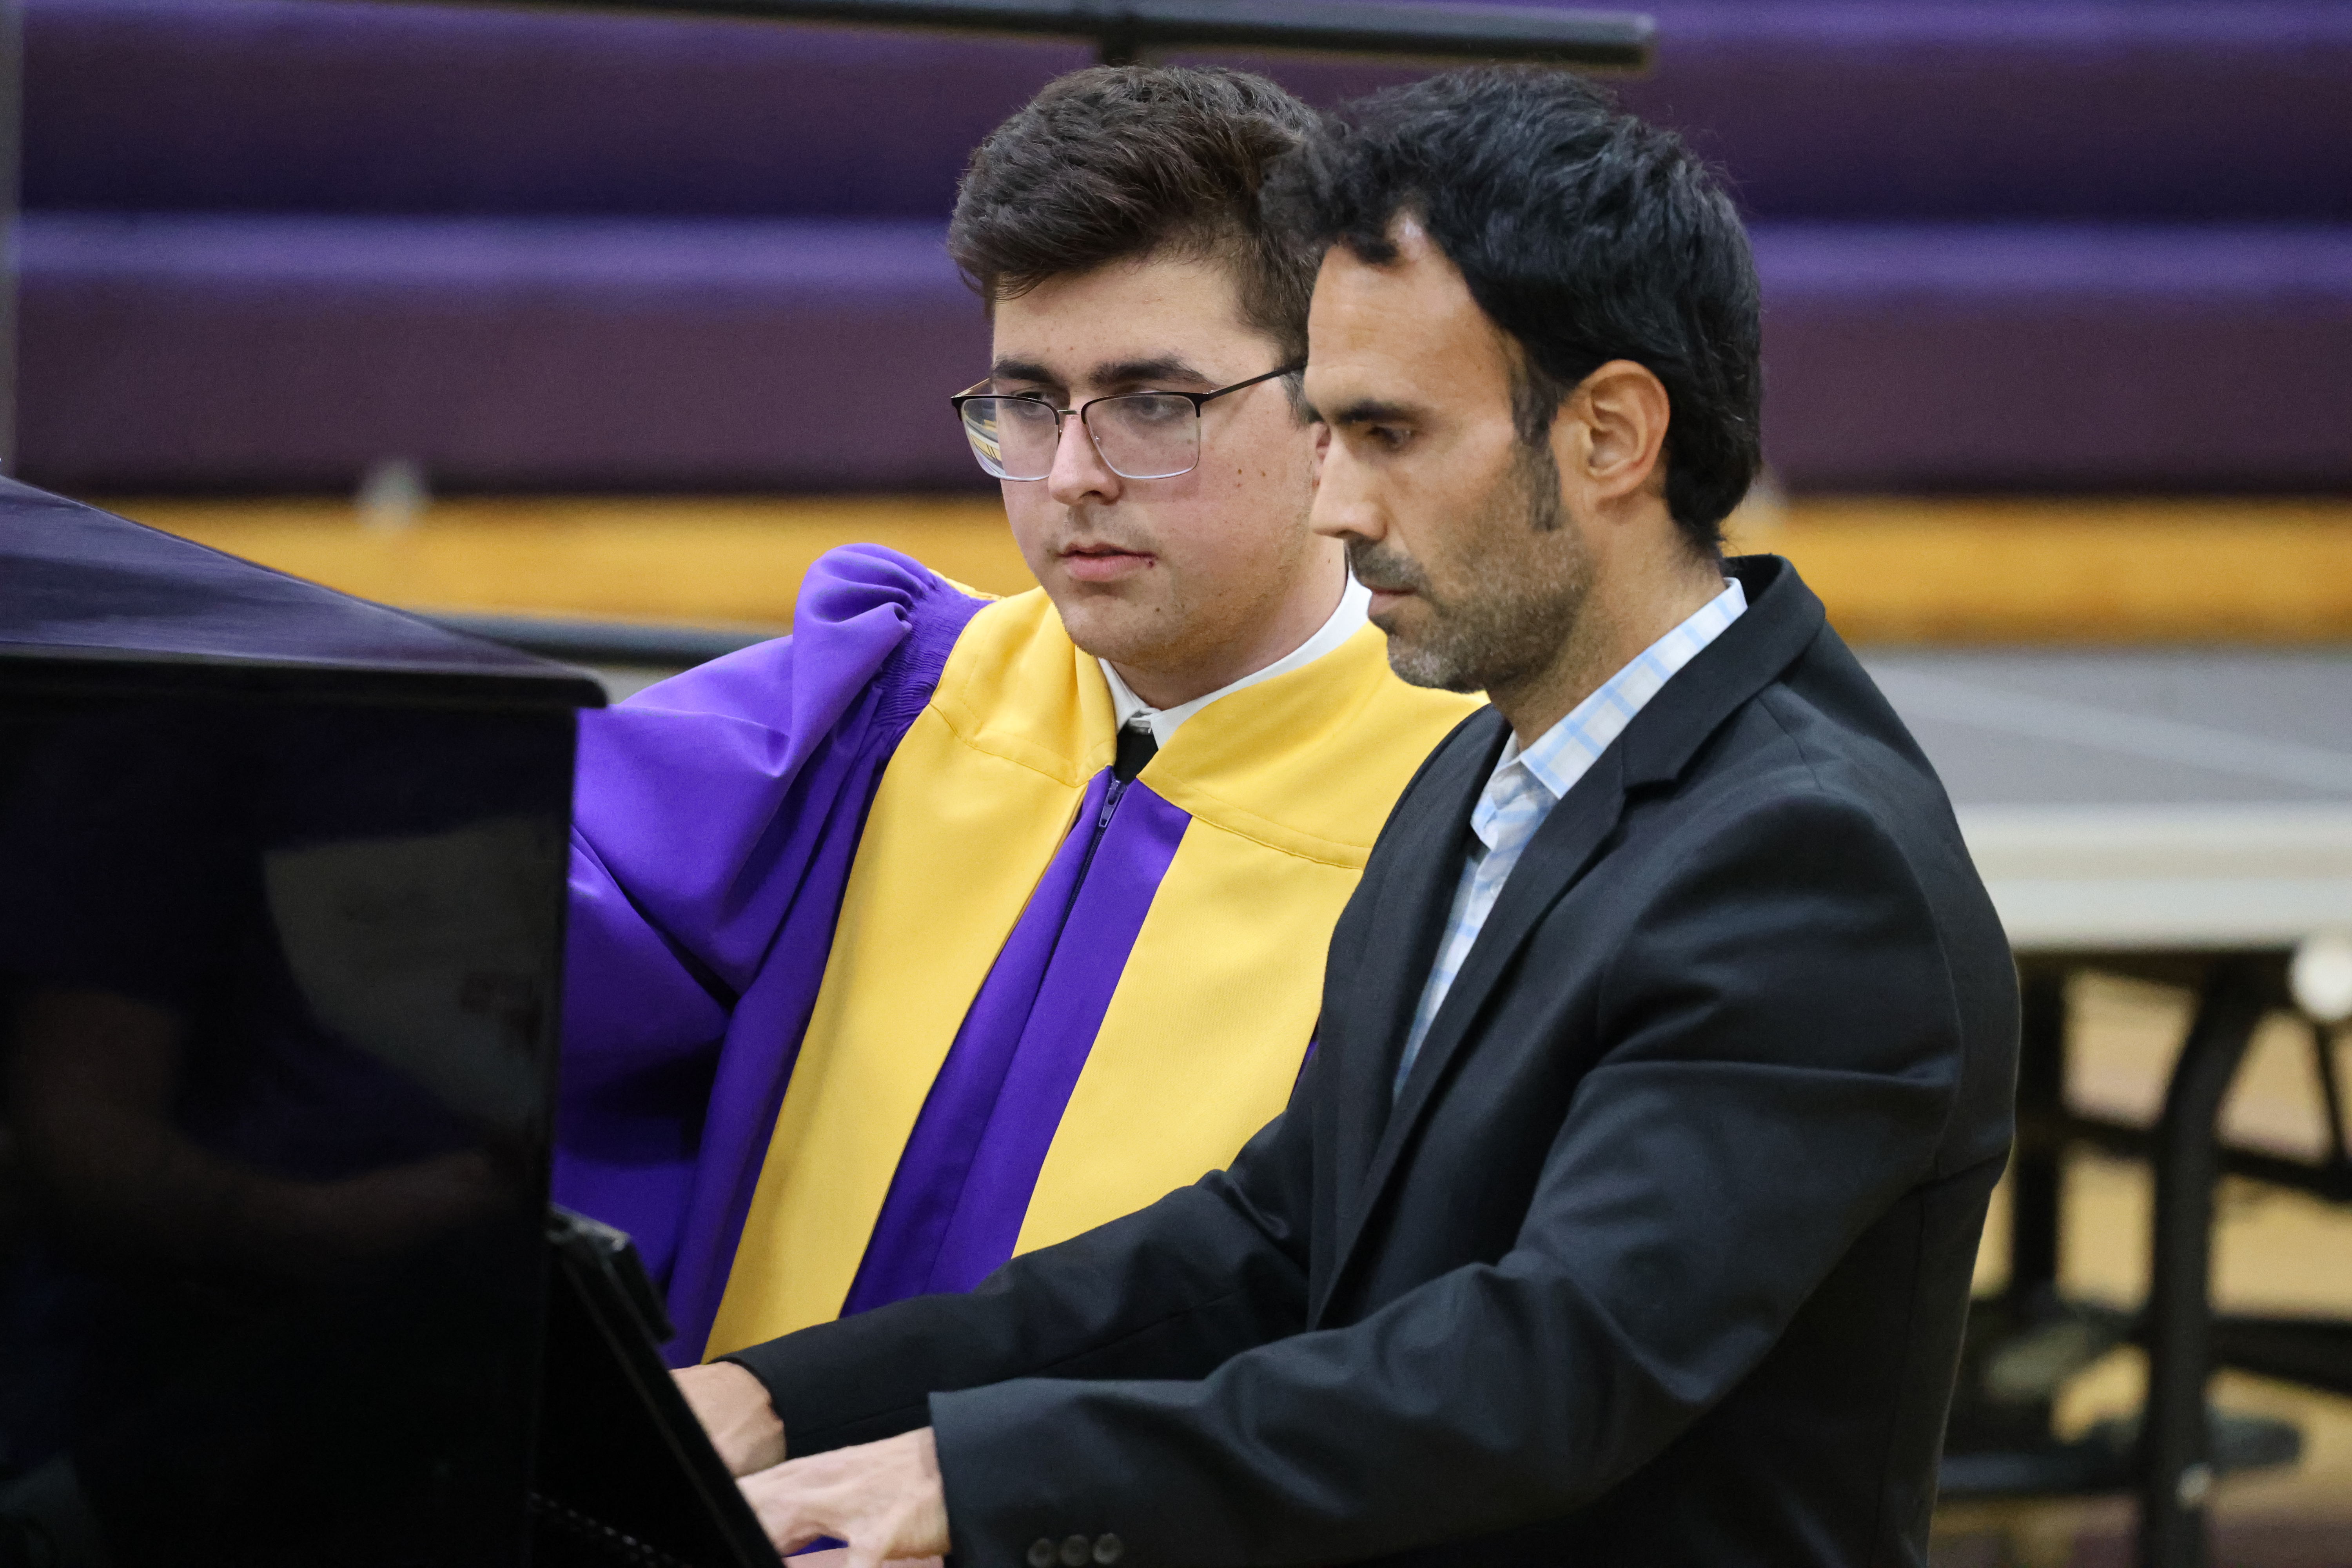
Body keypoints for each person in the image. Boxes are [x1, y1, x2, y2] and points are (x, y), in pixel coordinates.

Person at [686, 67, 2020, 1568]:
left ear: (1610, 437)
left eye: (1389, 436)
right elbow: (1270, 1238)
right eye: (1326, 432)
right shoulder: (1482, 768)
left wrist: (974, 1483)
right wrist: (780, 1399)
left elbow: (1539, 1379)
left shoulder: (1808, 864)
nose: (1336, 508)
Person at [554, 65, 1480, 1377]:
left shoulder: (1469, 821)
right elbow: (500, 897)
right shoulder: (884, 706)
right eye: (1029, 403)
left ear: (1328, 410)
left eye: (1156, 405)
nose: (1071, 477)